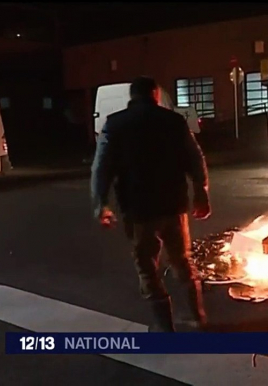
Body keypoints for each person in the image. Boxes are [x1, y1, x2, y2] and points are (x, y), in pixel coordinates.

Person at [91, 76, 211, 332]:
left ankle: (164, 326)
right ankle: (197, 318)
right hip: (174, 206)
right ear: (155, 95)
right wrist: (201, 192)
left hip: (138, 210)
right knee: (182, 261)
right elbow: (195, 158)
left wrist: (101, 203)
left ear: (131, 97)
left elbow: (101, 168)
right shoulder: (174, 122)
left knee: (147, 268)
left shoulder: (115, 124)